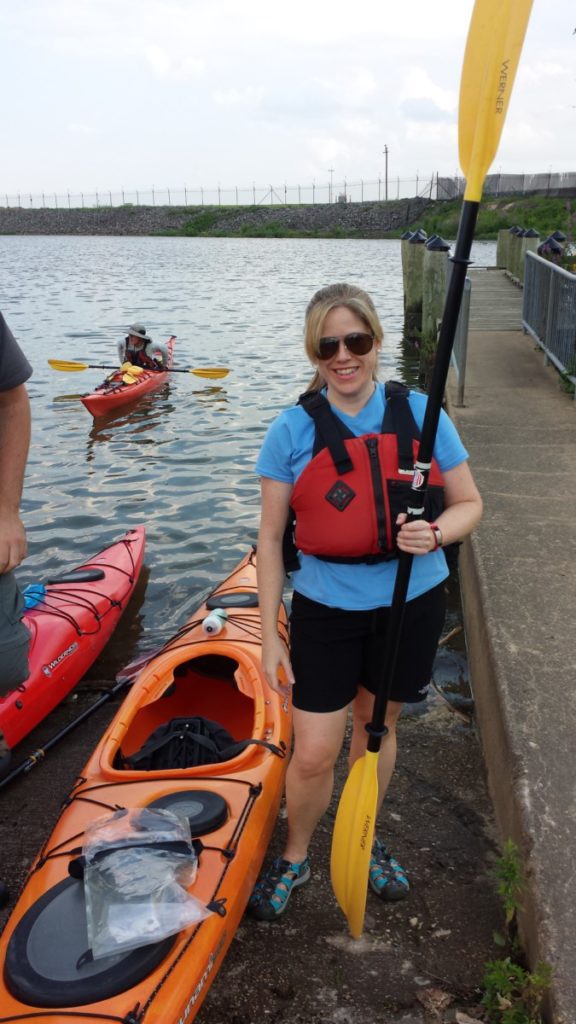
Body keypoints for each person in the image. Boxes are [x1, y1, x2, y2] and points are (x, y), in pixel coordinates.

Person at [247, 282, 482, 922]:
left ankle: (362, 838)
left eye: (356, 340)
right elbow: (269, 539)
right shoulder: (291, 430)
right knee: (316, 749)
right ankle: (296, 854)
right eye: (328, 345)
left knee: (376, 734)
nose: (343, 356)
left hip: (412, 601)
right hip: (325, 607)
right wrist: (269, 634)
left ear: (376, 342)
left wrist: (434, 532)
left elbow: (469, 505)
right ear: (314, 352)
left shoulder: (424, 415)